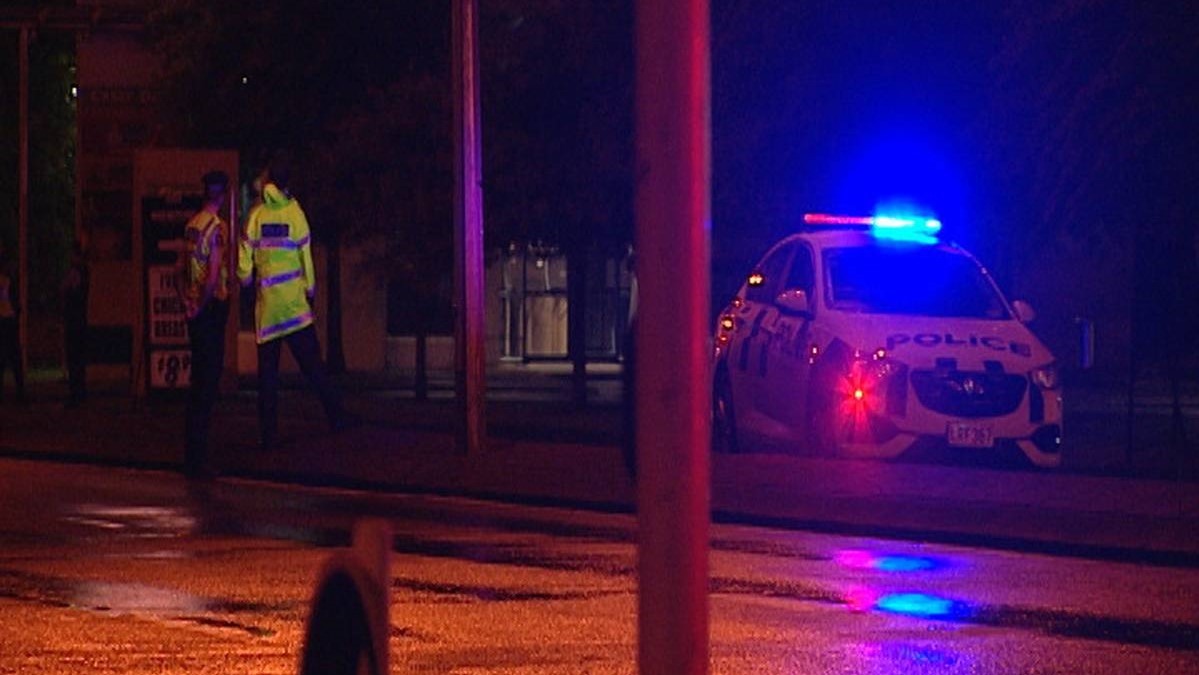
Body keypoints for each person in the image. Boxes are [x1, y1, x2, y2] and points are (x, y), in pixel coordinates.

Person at [237, 161, 354, 451]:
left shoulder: (256, 216)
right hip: (294, 309)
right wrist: (309, 290)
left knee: (268, 377)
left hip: (268, 311)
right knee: (314, 368)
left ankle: (268, 435)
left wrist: (246, 280)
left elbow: (244, 259)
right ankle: (337, 417)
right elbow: (306, 258)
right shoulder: (295, 214)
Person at [180, 170, 233, 478]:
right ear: (223, 194)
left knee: (196, 383)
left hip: (194, 309)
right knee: (208, 385)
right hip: (210, 311)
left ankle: (191, 453)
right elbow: (213, 277)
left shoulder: (191, 225)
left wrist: (186, 302)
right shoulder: (218, 228)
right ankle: (199, 459)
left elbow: (178, 269)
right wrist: (201, 306)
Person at [61, 241, 90, 407]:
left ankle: (76, 394)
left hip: (74, 321)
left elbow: (66, 289)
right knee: (78, 359)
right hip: (79, 320)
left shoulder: (77, 272)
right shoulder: (84, 271)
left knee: (74, 358)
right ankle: (79, 393)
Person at [0, 240, 26, 405]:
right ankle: (20, 394)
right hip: (7, 320)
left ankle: (20, 393)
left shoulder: (7, 278)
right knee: (11, 358)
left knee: (8, 358)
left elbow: (12, 299)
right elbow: (13, 299)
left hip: (6, 320)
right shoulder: (9, 278)